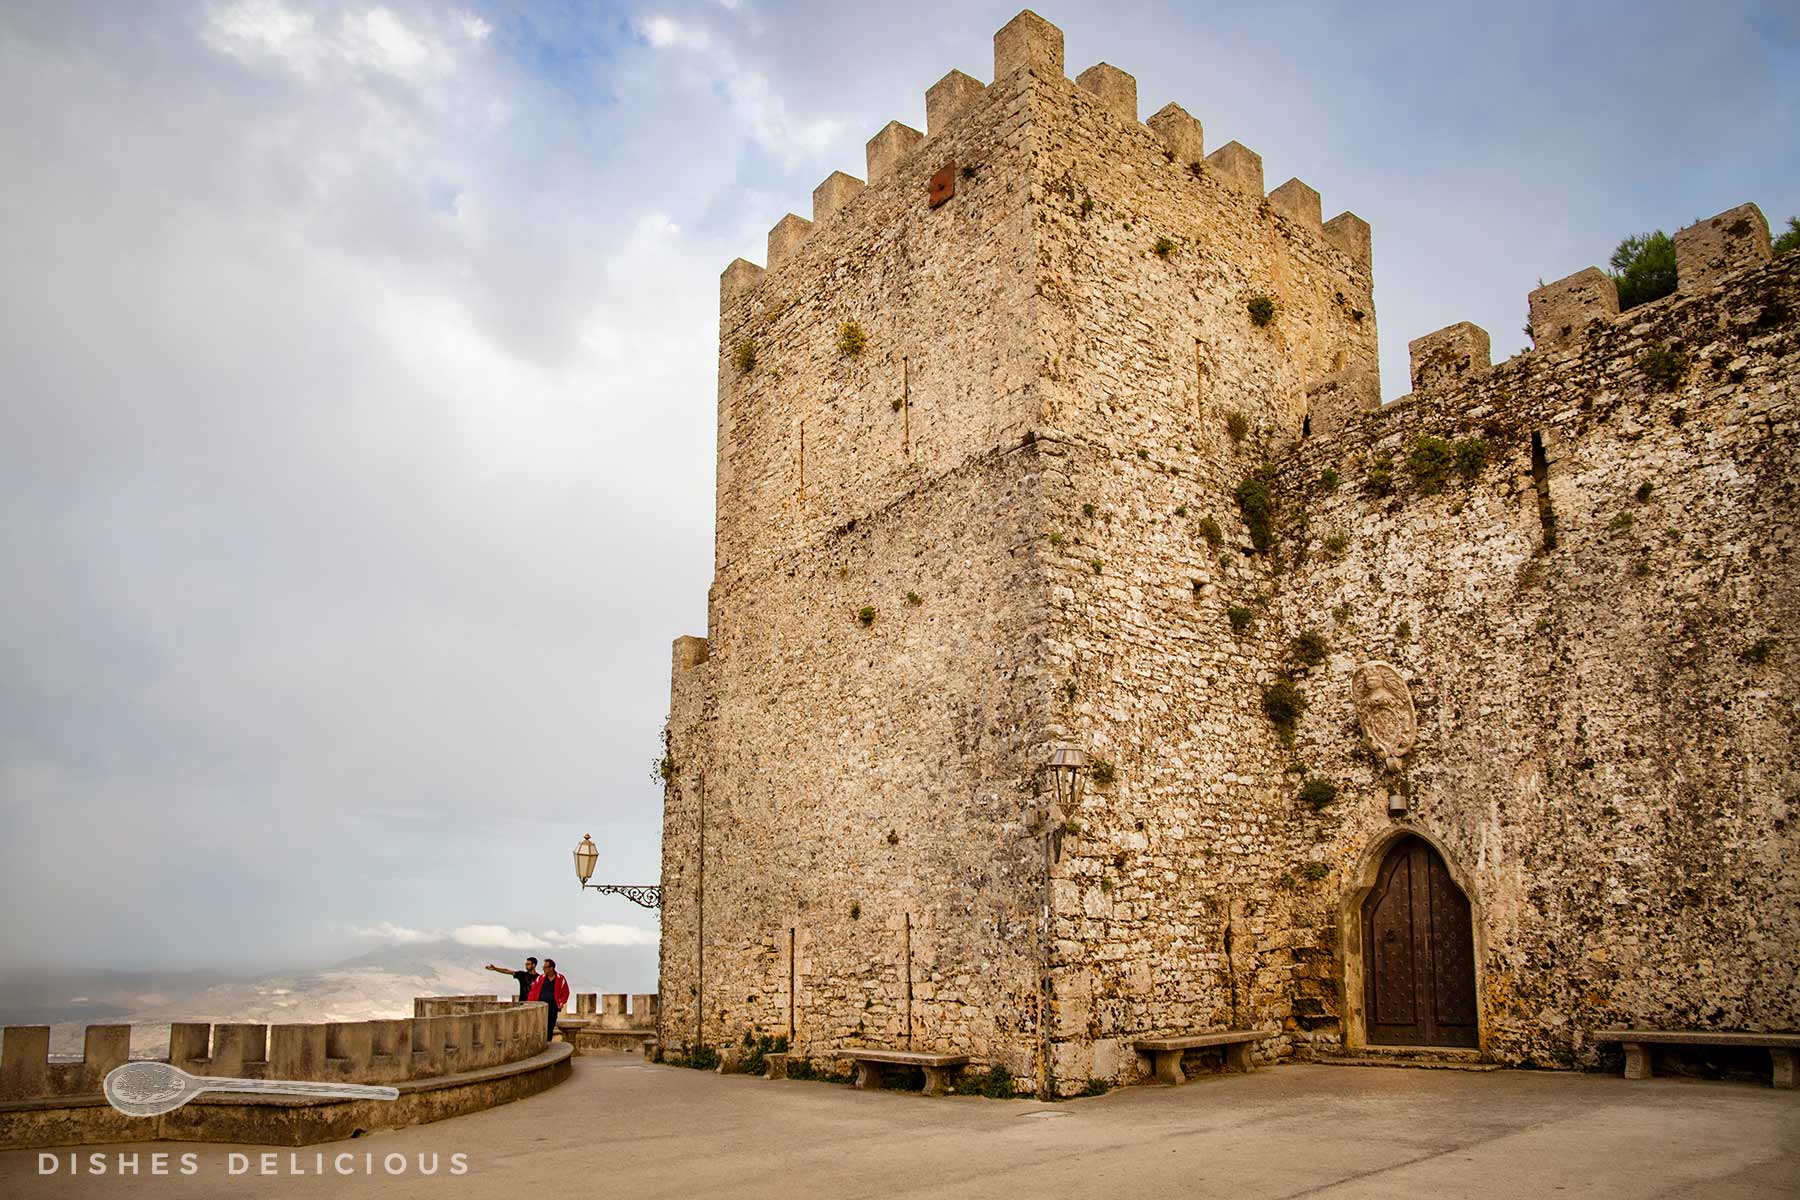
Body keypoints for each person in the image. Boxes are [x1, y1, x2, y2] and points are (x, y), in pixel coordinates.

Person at [526, 958, 570, 1041]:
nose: (543, 969)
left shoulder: (560, 978)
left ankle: (548, 1042)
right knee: (540, 1026)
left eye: (545, 967)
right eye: (543, 967)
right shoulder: (540, 978)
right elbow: (533, 991)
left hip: (553, 1007)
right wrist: (530, 1003)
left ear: (551, 968)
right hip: (540, 1007)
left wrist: (561, 1002)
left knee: (550, 1026)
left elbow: (565, 992)